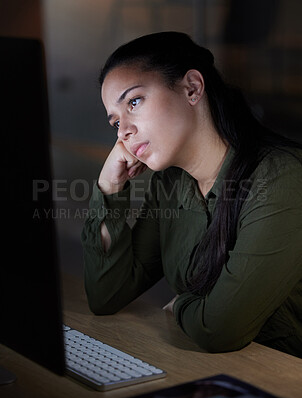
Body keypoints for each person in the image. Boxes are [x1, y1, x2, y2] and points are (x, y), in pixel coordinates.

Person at [81, 31, 302, 357]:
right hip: (216, 371)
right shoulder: (172, 183)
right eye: (115, 122)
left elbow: (220, 329)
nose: (124, 131)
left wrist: (181, 304)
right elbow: (106, 294)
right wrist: (109, 190)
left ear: (192, 88)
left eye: (134, 102)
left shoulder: (282, 178)